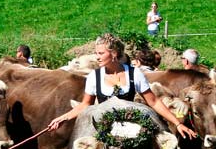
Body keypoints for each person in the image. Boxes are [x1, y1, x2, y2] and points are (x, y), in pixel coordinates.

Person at [48, 33, 196, 139]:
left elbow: (154, 101)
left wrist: (177, 123)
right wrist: (63, 118)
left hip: (130, 126)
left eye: (100, 53)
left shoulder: (134, 74)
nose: (97, 57)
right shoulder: (94, 76)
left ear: (113, 53)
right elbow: (86, 104)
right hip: (102, 127)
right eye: (96, 53)